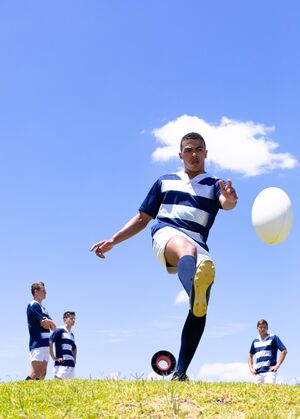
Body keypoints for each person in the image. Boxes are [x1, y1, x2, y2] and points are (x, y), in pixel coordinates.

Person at [90, 132, 238, 380]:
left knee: (198, 310)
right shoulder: (164, 181)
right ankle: (194, 289)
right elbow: (141, 219)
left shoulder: (215, 184)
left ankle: (180, 373)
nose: (194, 154)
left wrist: (231, 198)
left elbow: (226, 202)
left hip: (199, 245)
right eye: (189, 149)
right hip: (167, 235)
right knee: (186, 250)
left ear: (206, 153)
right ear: (180, 154)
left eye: (199, 149)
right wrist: (113, 240)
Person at [26, 281, 56, 380]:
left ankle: (35, 394)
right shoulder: (33, 305)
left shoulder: (44, 309)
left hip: (45, 343)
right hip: (37, 342)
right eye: (43, 290)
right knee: (36, 371)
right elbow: (44, 323)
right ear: (36, 292)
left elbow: (53, 327)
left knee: (43, 373)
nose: (45, 293)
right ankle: (22, 391)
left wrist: (50, 322)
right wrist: (49, 323)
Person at [248, 319, 287, 384]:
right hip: (258, 373)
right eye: (260, 327)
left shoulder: (273, 337)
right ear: (257, 328)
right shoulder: (255, 341)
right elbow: (250, 355)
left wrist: (277, 365)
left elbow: (284, 351)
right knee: (257, 393)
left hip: (270, 372)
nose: (262, 329)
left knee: (269, 391)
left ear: (267, 328)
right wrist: (251, 368)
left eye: (264, 327)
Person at [49, 311, 77, 379]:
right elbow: (50, 342)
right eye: (71, 318)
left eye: (74, 319)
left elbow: (74, 348)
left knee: (69, 388)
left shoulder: (71, 335)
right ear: (65, 319)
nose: (73, 320)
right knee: (58, 386)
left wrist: (74, 359)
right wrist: (53, 357)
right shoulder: (59, 330)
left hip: (71, 365)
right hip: (61, 365)